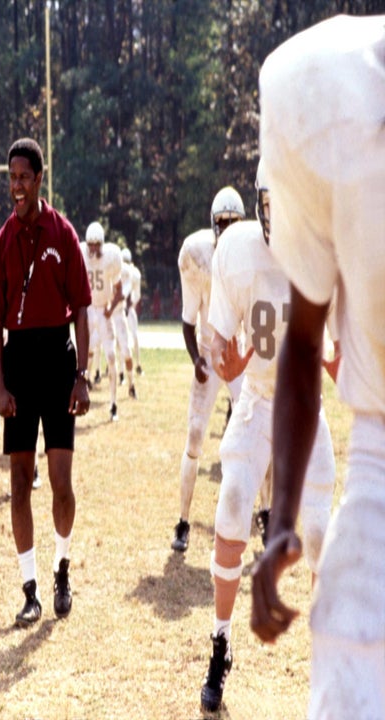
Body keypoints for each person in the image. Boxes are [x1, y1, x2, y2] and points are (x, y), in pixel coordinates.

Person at [251, 15, 385, 720]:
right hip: (381, 451)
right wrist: (280, 524)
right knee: (348, 646)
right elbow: (303, 341)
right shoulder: (329, 96)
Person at [199, 164, 335, 714]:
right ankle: (220, 641)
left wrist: (340, 362)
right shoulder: (236, 250)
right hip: (256, 400)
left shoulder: (325, 251)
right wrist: (224, 358)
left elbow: (334, 353)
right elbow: (222, 347)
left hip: (303, 404)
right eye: (274, 203)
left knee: (323, 534)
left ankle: (331, 659)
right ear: (261, 203)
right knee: (231, 507)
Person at [0, 137, 91, 626]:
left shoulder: (63, 233)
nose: (17, 187)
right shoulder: (3, 242)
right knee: (21, 483)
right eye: (11, 178)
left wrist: (82, 377)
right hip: (20, 365)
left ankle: (61, 566)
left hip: (58, 362)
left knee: (61, 484)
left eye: (24, 177)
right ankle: (29, 588)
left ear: (40, 179)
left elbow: (82, 312)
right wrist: (0, 386)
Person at [170, 186, 247, 553]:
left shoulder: (253, 253)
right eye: (223, 223)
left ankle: (261, 511)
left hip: (239, 352)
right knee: (196, 435)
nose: (229, 230)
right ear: (213, 225)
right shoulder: (197, 256)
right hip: (207, 350)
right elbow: (188, 321)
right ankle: (184, 520)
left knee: (255, 432)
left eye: (235, 223)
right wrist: (197, 360)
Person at [82, 221, 132, 421]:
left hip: (102, 309)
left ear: (103, 244)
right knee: (83, 355)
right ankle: (81, 391)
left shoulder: (112, 257)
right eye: (90, 244)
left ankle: (113, 404)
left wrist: (110, 309)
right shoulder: (81, 254)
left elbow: (119, 290)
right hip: (88, 309)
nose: (93, 248)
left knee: (111, 356)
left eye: (97, 244)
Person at [120, 247, 142, 376]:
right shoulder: (119, 271)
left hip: (130, 309)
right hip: (120, 309)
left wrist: (130, 306)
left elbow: (137, 294)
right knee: (121, 341)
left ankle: (138, 364)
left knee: (134, 337)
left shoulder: (134, 274)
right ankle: (121, 370)